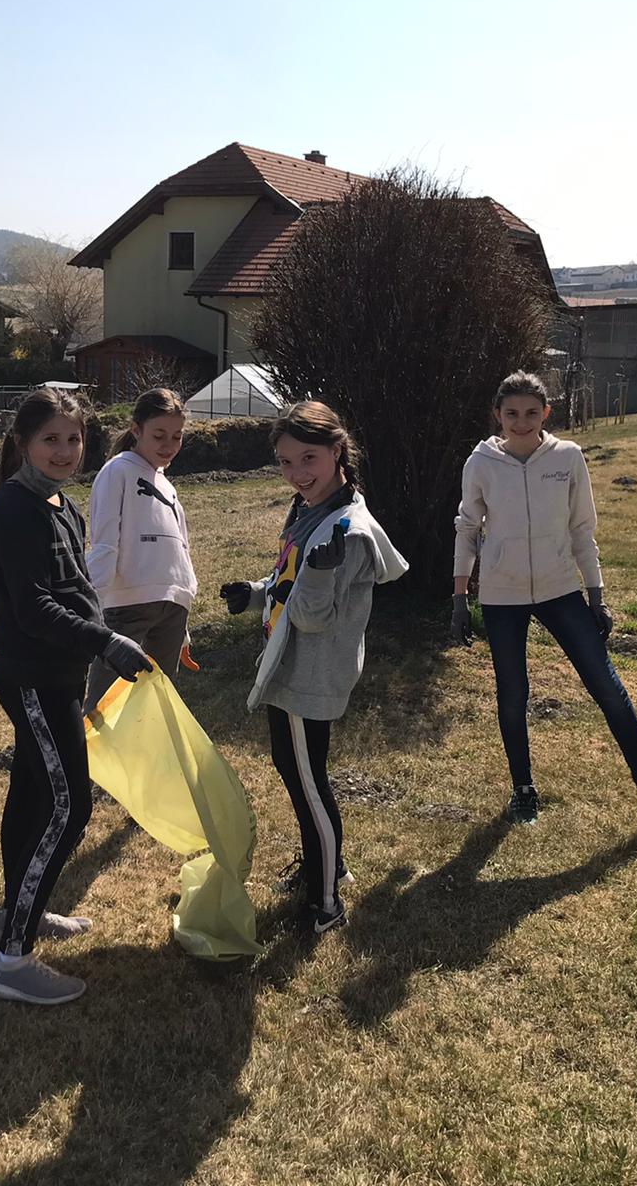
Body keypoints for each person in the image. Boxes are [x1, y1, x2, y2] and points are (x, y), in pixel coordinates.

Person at [451, 371, 637, 828]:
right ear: (497, 415)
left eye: (531, 413)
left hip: (560, 588)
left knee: (607, 686)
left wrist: (596, 596)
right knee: (512, 694)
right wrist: (460, 597)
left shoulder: (568, 457)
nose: (521, 422)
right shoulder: (480, 463)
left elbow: (582, 530)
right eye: (511, 413)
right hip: (502, 595)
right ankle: (523, 790)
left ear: (546, 413)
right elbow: (466, 529)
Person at [0, 386, 154, 1005]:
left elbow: (75, 587)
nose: (64, 450)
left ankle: (22, 909)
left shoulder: (60, 503)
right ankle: (11, 961)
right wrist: (105, 641)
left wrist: (100, 635)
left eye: (73, 439)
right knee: (68, 807)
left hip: (61, 674)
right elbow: (32, 608)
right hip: (34, 678)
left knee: (31, 796)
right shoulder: (13, 509)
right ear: (22, 442)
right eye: (50, 439)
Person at [219, 401, 408, 935]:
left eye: (309, 458)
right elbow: (290, 580)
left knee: (309, 782)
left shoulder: (347, 531)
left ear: (337, 451)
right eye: (285, 461)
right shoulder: (311, 508)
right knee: (295, 771)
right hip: (288, 666)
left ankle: (326, 904)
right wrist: (256, 592)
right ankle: (327, 866)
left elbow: (313, 616)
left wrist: (320, 577)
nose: (298, 473)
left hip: (310, 674)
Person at [84, 388, 197, 709]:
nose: (168, 445)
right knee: (104, 704)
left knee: (157, 702)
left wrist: (183, 624)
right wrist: (92, 608)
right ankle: (88, 745)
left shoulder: (167, 484)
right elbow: (105, 541)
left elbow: (181, 549)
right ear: (136, 430)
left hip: (173, 610)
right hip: (126, 606)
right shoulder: (116, 471)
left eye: (176, 436)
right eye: (159, 435)